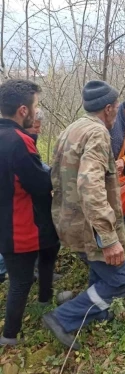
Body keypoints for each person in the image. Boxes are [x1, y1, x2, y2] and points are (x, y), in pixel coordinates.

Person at [43, 80, 125, 350]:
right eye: (117, 107)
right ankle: (64, 317)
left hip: (68, 219)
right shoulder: (97, 134)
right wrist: (108, 237)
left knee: (102, 271)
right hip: (88, 226)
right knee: (122, 279)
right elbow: (89, 184)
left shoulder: (72, 128)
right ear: (108, 109)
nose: (117, 112)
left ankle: (91, 309)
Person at [0, 79, 59, 346]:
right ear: (23, 110)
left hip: (5, 222)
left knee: (19, 278)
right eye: (36, 106)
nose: (37, 112)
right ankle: (10, 337)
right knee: (21, 282)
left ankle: (43, 302)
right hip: (20, 225)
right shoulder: (19, 141)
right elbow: (39, 183)